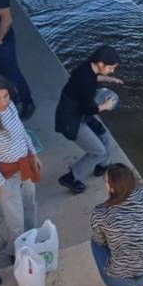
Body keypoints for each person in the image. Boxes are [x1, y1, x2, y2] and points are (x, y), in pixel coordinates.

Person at [0, 74, 42, 248]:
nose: (3, 102)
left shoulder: (10, 107)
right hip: (6, 173)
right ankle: (17, 250)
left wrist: (34, 154)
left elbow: (22, 131)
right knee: (15, 217)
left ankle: (31, 239)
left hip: (25, 164)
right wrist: (1, 184)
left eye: (6, 96)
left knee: (30, 203)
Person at [55, 45, 122, 194]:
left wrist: (108, 78)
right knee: (98, 152)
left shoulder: (86, 68)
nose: (112, 71)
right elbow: (90, 109)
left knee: (102, 134)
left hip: (77, 112)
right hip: (71, 121)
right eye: (111, 68)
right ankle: (70, 178)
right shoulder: (87, 82)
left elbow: (93, 78)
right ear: (101, 64)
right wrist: (106, 105)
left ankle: (102, 165)